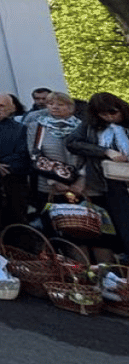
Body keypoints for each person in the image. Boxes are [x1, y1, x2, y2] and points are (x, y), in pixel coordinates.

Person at [67, 92, 129, 257]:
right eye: (103, 114)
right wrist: (105, 151)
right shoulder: (90, 125)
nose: (109, 118)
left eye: (113, 113)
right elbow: (72, 143)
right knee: (124, 225)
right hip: (111, 182)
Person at [0, 92, 31, 229]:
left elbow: (23, 153)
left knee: (17, 220)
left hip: (12, 179)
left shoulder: (20, 128)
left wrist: (4, 166)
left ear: (11, 108)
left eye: (2, 105)